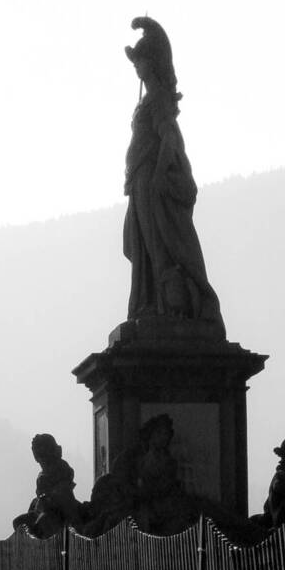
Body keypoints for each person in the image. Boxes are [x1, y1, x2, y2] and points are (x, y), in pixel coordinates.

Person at [122, 17, 224, 333]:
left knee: (159, 243)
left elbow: (167, 138)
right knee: (142, 246)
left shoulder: (159, 100)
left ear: (151, 63)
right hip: (140, 180)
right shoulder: (150, 100)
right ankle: (152, 303)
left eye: (140, 61)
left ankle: (170, 305)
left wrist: (158, 177)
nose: (136, 68)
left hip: (152, 182)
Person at [13, 434, 81, 538]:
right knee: (19, 523)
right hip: (43, 509)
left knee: (39, 527)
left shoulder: (60, 468)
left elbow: (63, 494)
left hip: (58, 511)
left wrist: (48, 498)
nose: (38, 459)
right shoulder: (43, 474)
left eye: (39, 453)